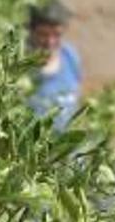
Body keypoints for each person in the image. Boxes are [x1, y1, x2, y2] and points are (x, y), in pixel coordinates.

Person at [26, 1, 83, 131]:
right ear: (31, 32)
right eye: (43, 34)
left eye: (56, 34)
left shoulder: (70, 57)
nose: (49, 42)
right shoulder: (19, 65)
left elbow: (77, 98)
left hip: (65, 148)